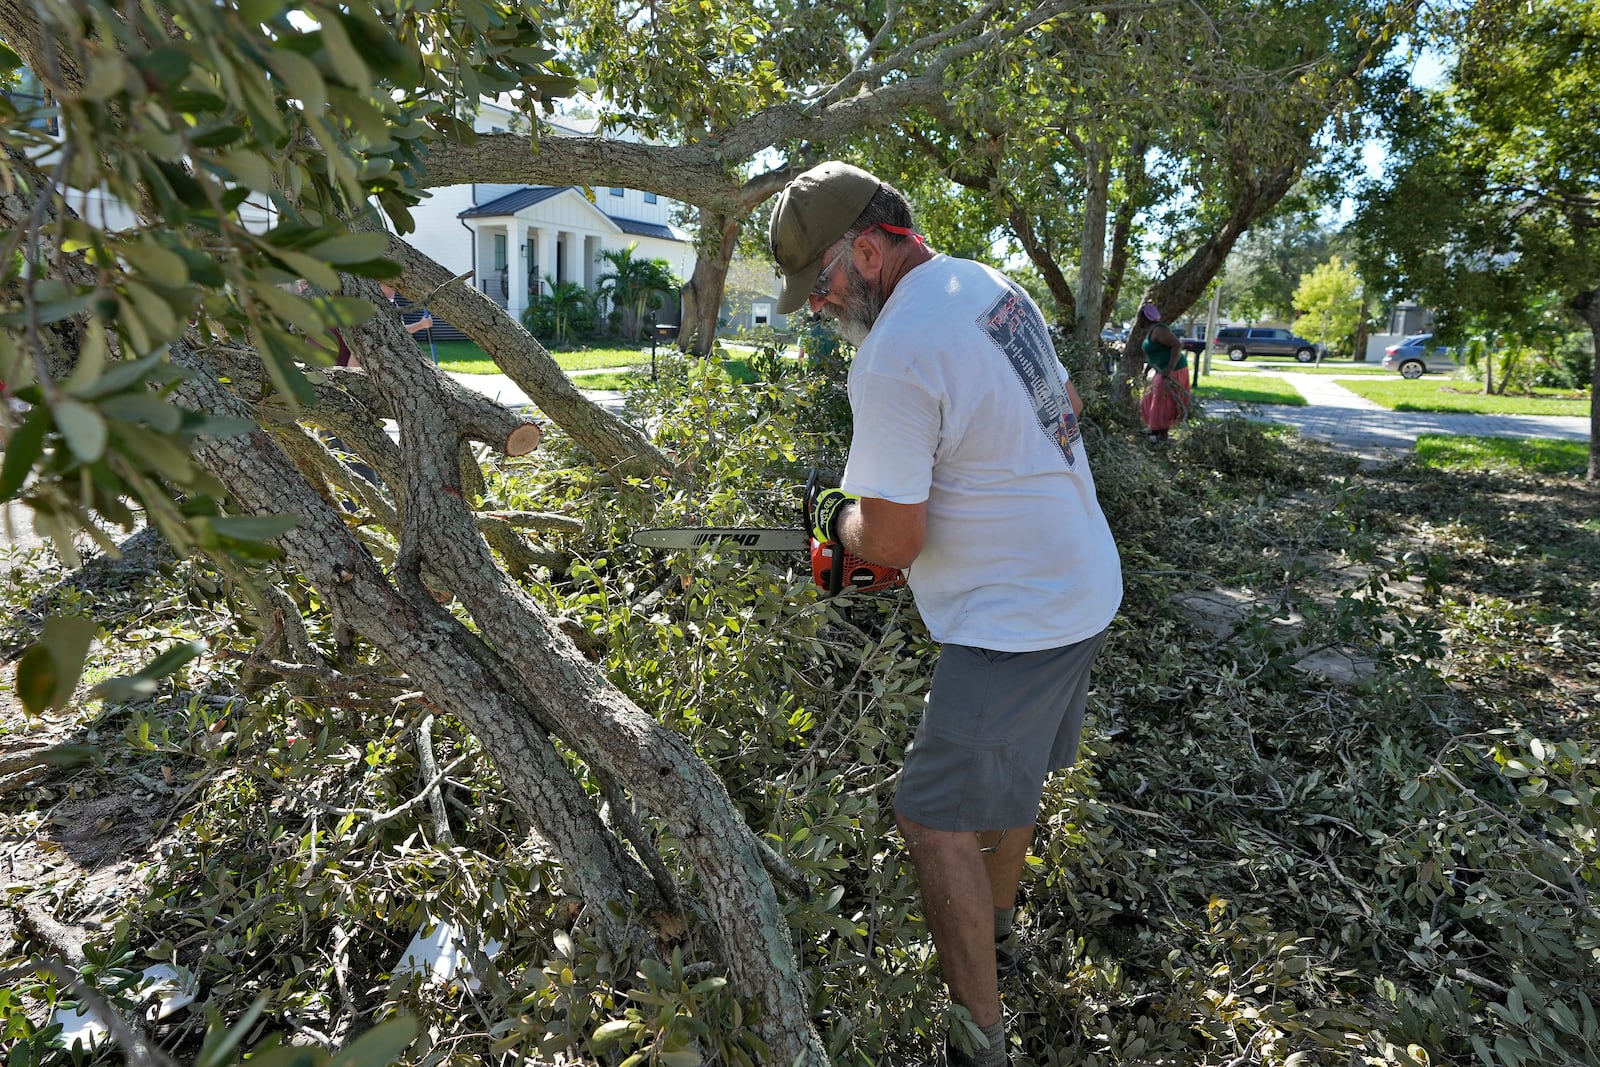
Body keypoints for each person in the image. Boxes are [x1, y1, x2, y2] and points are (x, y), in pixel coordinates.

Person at [769, 161, 1123, 1067]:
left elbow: (887, 542)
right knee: (1010, 782)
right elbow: (1064, 411)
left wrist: (840, 527)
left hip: (1018, 619)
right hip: (1081, 581)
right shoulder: (985, 283)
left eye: (823, 281)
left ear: (875, 246)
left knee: (931, 816)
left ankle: (979, 1040)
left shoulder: (892, 354)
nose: (816, 303)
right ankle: (997, 929)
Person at [1137, 302, 1191, 442]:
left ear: (1145, 318)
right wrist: (1148, 369)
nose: (1138, 321)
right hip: (1161, 369)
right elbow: (1154, 354)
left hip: (1174, 369)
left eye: (1140, 318)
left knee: (1162, 401)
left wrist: (1170, 368)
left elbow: (1177, 345)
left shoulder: (1159, 330)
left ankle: (1161, 435)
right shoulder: (1152, 331)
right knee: (1148, 399)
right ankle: (1154, 428)